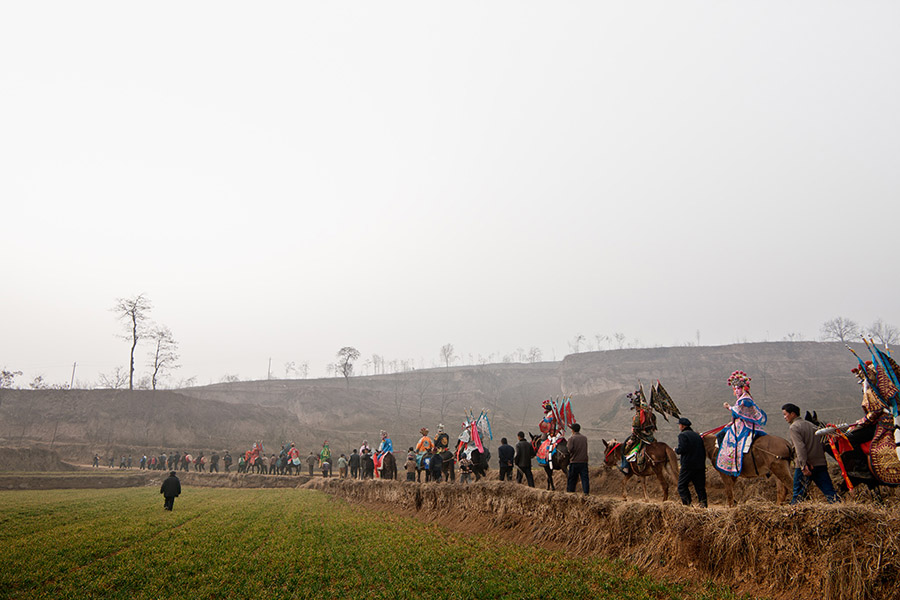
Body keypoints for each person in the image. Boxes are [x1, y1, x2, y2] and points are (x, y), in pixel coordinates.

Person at [782, 403, 839, 504]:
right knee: (830, 493)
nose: (784, 417)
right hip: (820, 464)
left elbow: (800, 448)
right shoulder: (813, 426)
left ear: (793, 414)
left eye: (785, 414)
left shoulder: (794, 427)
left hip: (806, 466)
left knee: (798, 495)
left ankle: (792, 516)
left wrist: (803, 465)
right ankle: (840, 510)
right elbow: (822, 445)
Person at [716, 370, 767, 476]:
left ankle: (730, 460)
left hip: (744, 425)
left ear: (744, 388)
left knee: (724, 436)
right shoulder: (743, 398)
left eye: (738, 388)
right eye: (735, 389)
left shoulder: (746, 399)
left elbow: (739, 411)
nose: (737, 391)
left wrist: (728, 407)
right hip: (740, 423)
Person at [621, 388, 657, 475]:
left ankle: (625, 467)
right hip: (651, 437)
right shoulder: (651, 415)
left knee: (625, 448)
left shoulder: (638, 416)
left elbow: (636, 429)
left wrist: (631, 440)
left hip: (640, 437)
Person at [674, 417, 707, 507]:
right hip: (700, 466)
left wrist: (676, 450)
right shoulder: (697, 436)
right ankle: (703, 504)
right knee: (700, 487)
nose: (679, 427)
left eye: (680, 425)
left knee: (681, 485)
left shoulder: (683, 435)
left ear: (683, 426)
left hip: (688, 465)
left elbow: (683, 449)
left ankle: (687, 505)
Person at [566, 423, 589, 494]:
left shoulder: (571, 438)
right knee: (585, 479)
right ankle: (586, 493)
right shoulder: (584, 438)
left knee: (572, 479)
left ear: (572, 430)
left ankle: (570, 493)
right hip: (584, 461)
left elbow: (569, 449)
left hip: (574, 462)